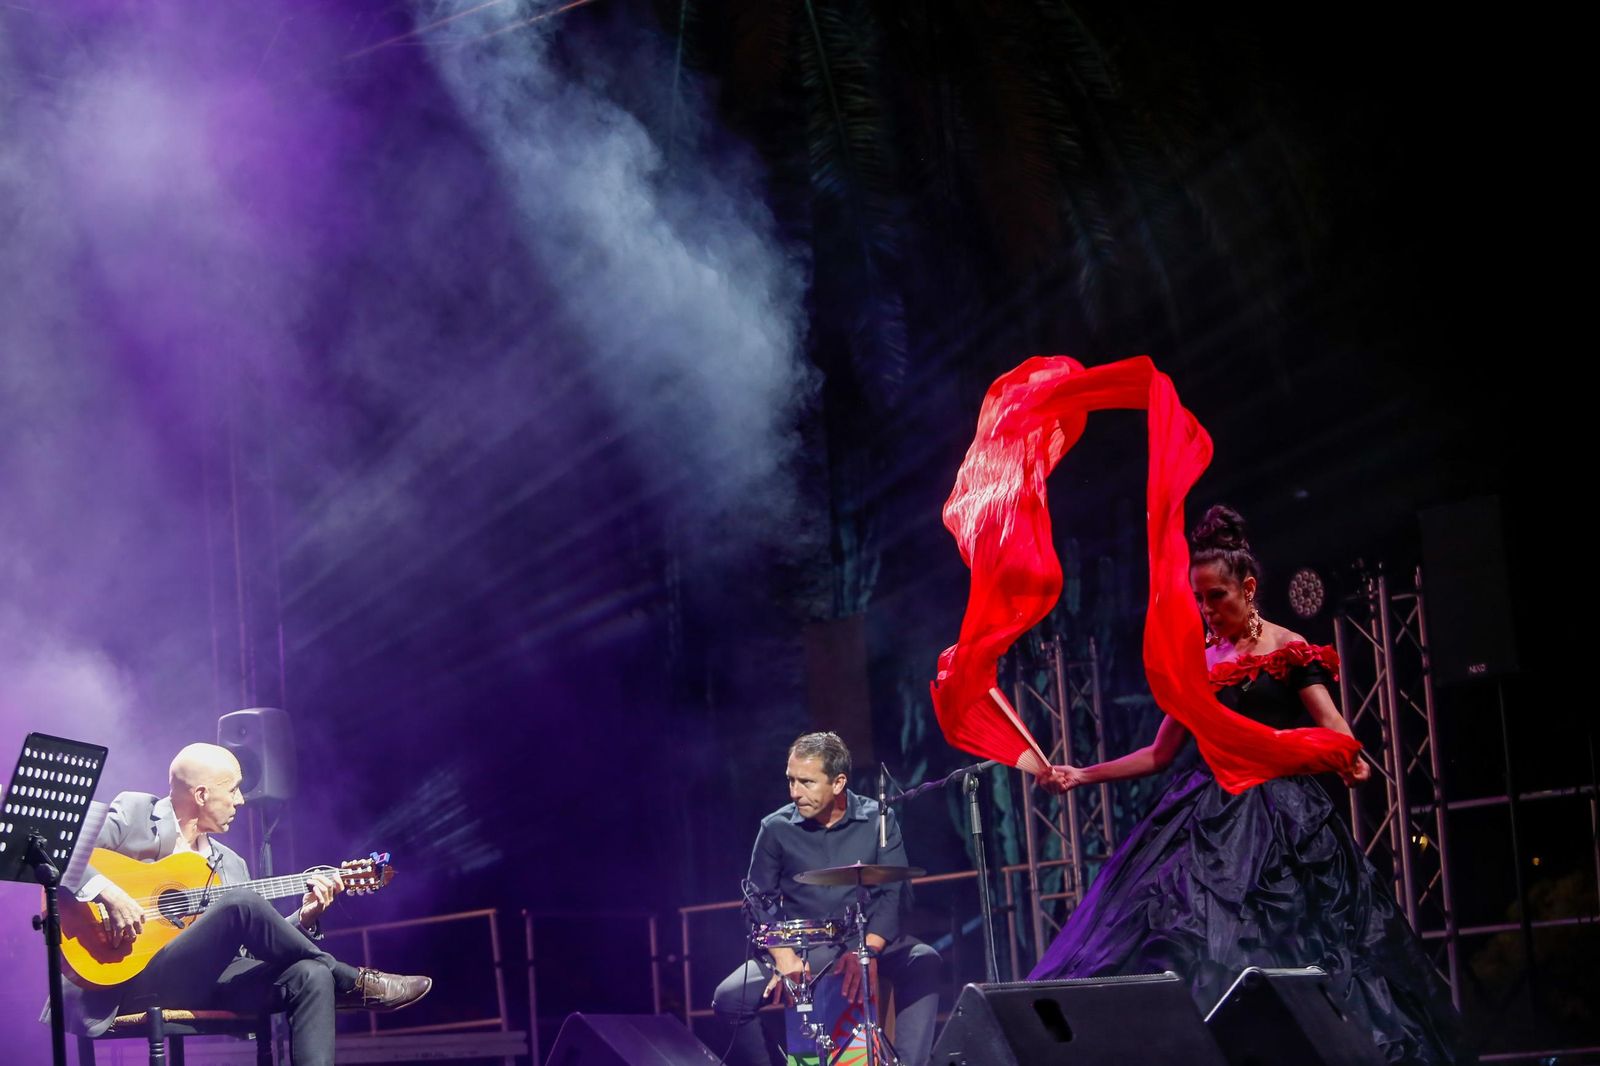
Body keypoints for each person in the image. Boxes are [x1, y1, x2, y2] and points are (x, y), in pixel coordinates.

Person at [1031, 505, 1468, 1064]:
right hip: (1207, 816)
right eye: (1199, 598)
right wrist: (1081, 774)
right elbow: (1161, 754)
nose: (1207, 610)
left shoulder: (1287, 650)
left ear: (1249, 588)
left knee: (1300, 945)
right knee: (1184, 938)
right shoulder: (1201, 664)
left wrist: (1350, 759)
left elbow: (1331, 727)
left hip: (1283, 821)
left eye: (1217, 596)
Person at [56, 743, 431, 1065]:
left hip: (205, 982)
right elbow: (56, 845)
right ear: (201, 795)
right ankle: (351, 980)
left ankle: (333, 975)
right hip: (130, 976)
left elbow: (248, 944)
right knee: (240, 901)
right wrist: (107, 890)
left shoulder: (231, 863)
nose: (241, 800)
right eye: (233, 790)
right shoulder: (136, 812)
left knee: (309, 975)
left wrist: (305, 917)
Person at [713, 732, 942, 1066]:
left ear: (838, 783)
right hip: (803, 946)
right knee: (728, 998)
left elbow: (893, 892)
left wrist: (867, 952)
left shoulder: (879, 818)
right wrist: (783, 956)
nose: (795, 792)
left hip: (864, 939)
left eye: (806, 782)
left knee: (924, 960)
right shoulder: (775, 828)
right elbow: (757, 900)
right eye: (791, 781)